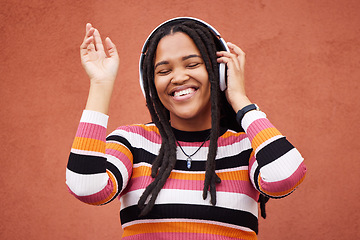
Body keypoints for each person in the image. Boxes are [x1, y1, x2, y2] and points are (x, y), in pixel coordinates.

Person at [66, 17, 306, 239]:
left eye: (192, 64)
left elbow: (286, 176)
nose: (178, 77)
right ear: (151, 85)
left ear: (219, 73)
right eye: (164, 71)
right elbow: (86, 187)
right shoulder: (133, 141)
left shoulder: (246, 146)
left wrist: (239, 98)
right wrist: (100, 84)